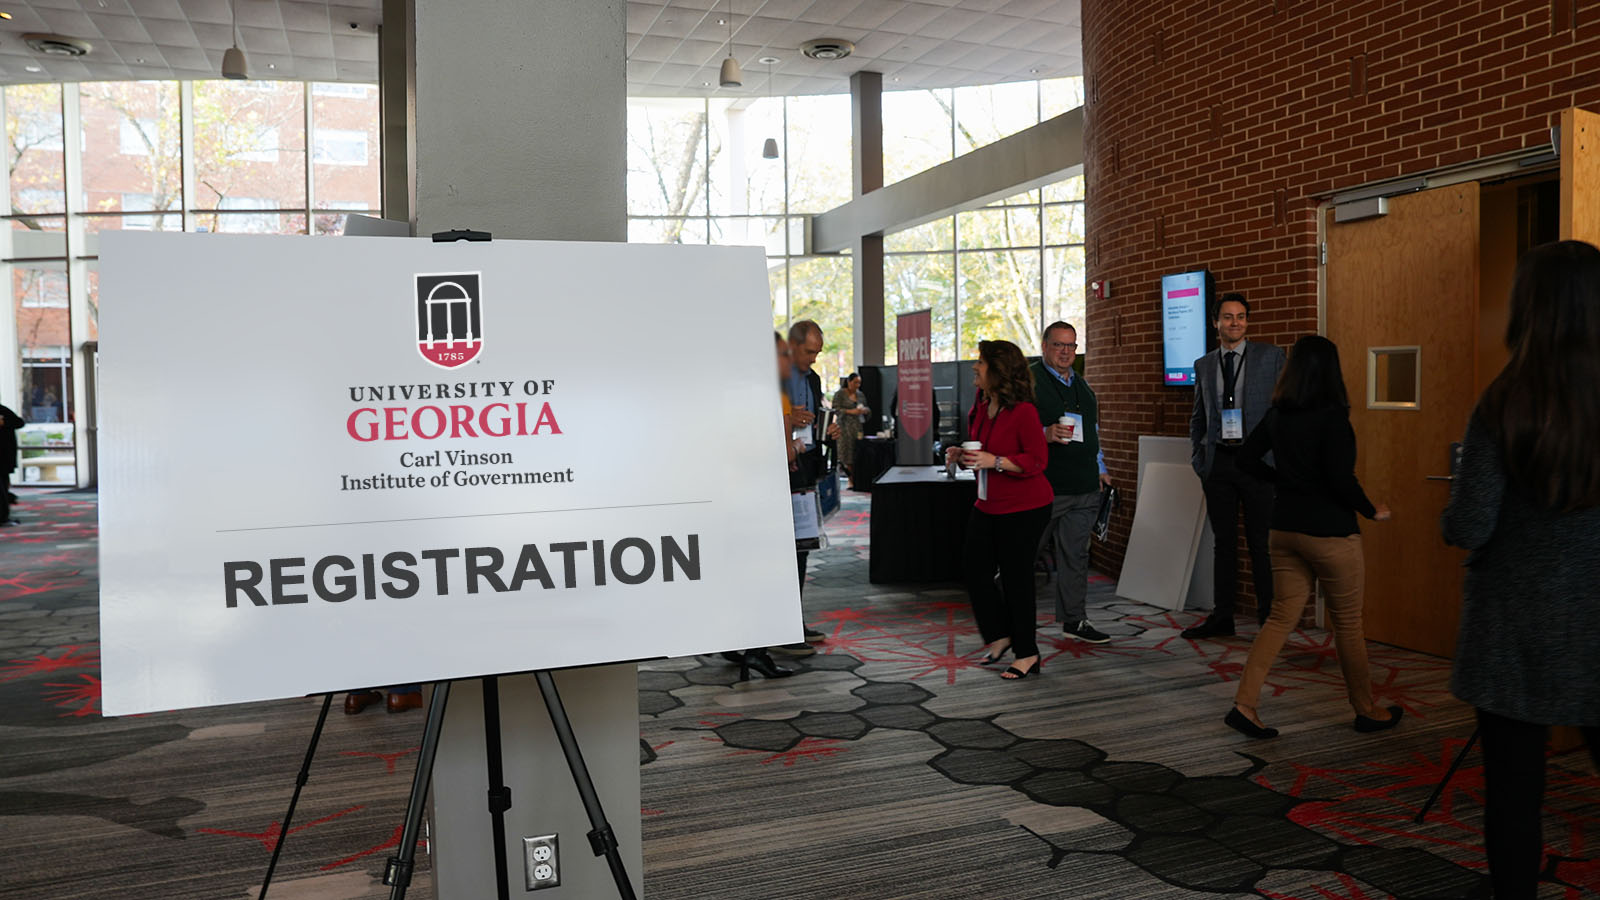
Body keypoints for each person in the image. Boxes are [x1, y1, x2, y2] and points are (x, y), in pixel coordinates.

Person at [1441, 240, 1600, 900]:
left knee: (1514, 795)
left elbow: (1470, 525)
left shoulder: (1504, 402)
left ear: (1526, 308)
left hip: (1514, 627)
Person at [1225, 335, 1396, 739]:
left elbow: (1246, 459)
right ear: (1331, 371)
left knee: (1281, 617)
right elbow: (1340, 479)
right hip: (1330, 534)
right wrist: (1372, 509)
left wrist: (1281, 481)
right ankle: (1366, 708)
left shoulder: (1278, 414)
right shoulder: (1333, 417)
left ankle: (1244, 705)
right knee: (1348, 624)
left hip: (1284, 529)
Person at [945, 340, 1054, 680]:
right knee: (973, 569)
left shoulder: (1023, 412)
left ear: (999, 370)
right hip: (988, 502)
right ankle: (1000, 634)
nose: (975, 368)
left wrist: (998, 462)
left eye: (981, 362)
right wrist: (962, 456)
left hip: (1026, 506)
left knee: (1016, 579)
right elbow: (983, 455)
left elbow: (1037, 460)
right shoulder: (979, 406)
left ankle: (1027, 653)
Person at [1184, 292, 1286, 639]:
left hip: (1257, 465)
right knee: (1223, 544)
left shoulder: (1271, 357)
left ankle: (1269, 619)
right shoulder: (1204, 364)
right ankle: (1222, 617)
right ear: (1216, 323)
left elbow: (1283, 412)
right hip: (1219, 464)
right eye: (1228, 317)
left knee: (1261, 543)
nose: (1235, 323)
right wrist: (1200, 462)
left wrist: (1277, 460)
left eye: (1241, 316)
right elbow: (1198, 416)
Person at [1029, 322, 1112, 644]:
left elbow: (1091, 432)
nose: (1065, 352)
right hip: (1045, 487)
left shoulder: (1083, 387)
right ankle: (1005, 614)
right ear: (1045, 346)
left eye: (1071, 346)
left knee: (1075, 557)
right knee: (1024, 553)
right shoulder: (1030, 382)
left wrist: (1100, 467)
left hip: (1084, 486)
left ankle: (1074, 620)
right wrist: (1044, 434)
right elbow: (1013, 431)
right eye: (1059, 345)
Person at [781, 320, 838, 654]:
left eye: (817, 352)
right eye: (809, 351)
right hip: (776, 470)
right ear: (792, 345)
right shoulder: (773, 378)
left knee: (801, 547)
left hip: (804, 470)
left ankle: (793, 621)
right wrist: (787, 419)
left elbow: (814, 420)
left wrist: (825, 432)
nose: (814, 358)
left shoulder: (813, 380)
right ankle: (779, 629)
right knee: (780, 552)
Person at [830, 373, 869, 475]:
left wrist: (865, 411)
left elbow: (867, 408)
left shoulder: (860, 395)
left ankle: (856, 479)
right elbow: (835, 409)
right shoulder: (840, 394)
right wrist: (850, 412)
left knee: (857, 453)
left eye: (859, 383)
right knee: (846, 454)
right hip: (844, 428)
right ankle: (848, 477)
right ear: (849, 382)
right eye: (855, 382)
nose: (857, 385)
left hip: (857, 427)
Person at [0, 401, 23, 526]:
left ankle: (3, 516)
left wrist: (4, 423)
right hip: (4, 458)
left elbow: (19, 422)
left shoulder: (2, 411)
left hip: (3, 458)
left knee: (3, 487)